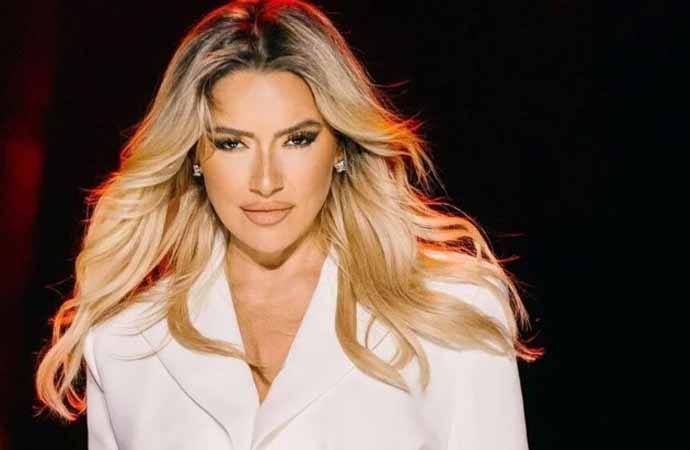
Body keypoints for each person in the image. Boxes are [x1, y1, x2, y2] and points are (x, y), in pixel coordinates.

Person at [35, 1, 544, 449]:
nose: (265, 181)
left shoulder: (452, 314)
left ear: (340, 147)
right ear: (194, 156)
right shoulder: (124, 344)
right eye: (232, 143)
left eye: (297, 139)